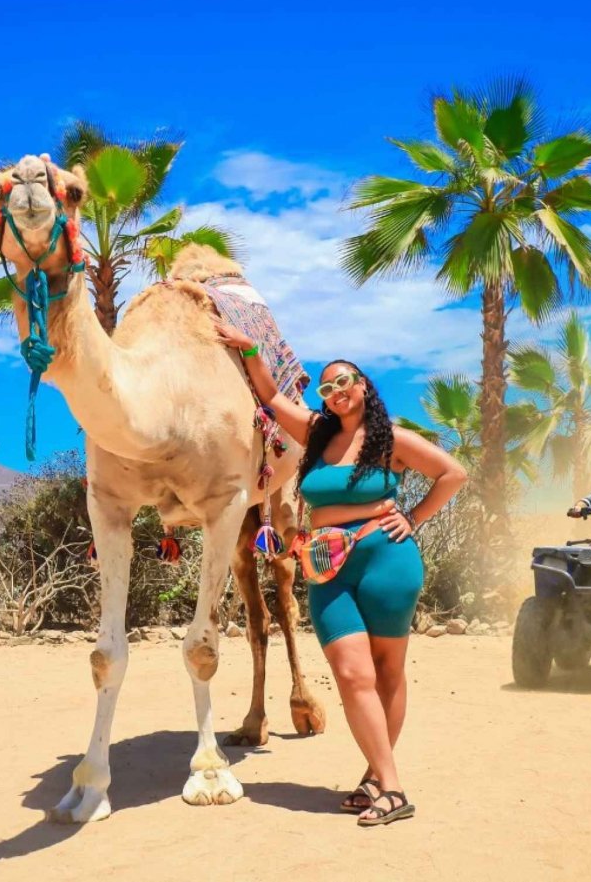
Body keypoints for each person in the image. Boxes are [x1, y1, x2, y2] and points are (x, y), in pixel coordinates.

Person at [213, 319, 466, 827]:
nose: (335, 392)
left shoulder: (390, 439)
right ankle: (389, 783)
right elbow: (267, 395)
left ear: (364, 387)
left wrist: (413, 517)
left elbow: (453, 474)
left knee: (387, 672)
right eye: (326, 387)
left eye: (344, 382)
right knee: (352, 673)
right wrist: (250, 349)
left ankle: (380, 781)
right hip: (326, 566)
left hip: (386, 560)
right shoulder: (315, 434)